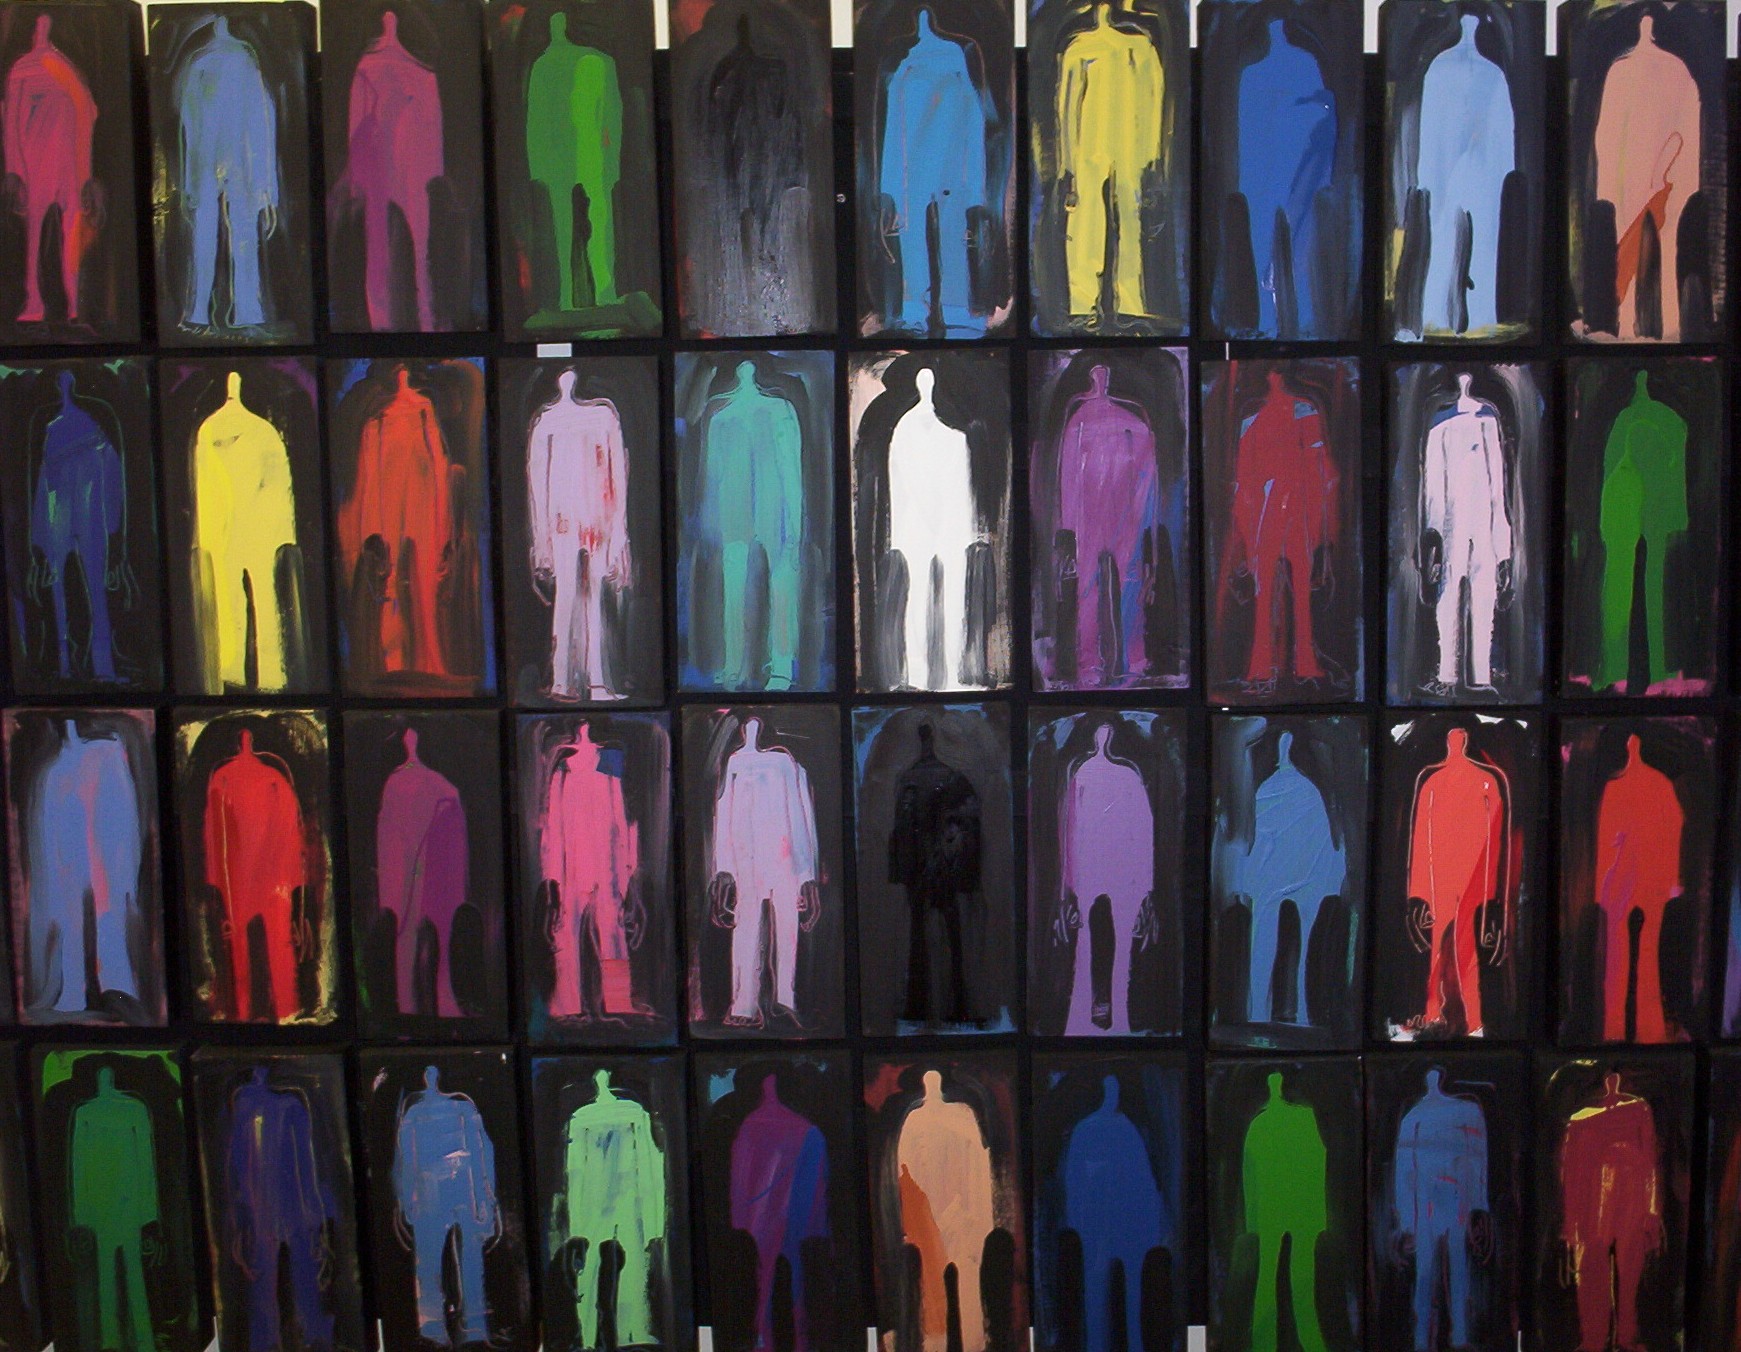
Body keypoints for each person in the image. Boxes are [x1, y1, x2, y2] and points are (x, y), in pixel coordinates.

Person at [337, 366, 458, 683]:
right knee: (390, 580)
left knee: (423, 577)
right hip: (391, 504)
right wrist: (372, 524)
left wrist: (442, 516)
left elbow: (438, 465)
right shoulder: (376, 418)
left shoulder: (423, 409)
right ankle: (393, 660)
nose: (402, 376)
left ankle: (424, 660)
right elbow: (369, 474)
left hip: (421, 504)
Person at [1221, 370, 1339, 690]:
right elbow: (1319, 471)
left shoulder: (1275, 416)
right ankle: (1285, 666)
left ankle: (1275, 668)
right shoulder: (1287, 414)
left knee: (1280, 593)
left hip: (1282, 513)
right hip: (1282, 513)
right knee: (1285, 593)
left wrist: (1248, 533)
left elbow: (1245, 484)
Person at [1052, 364, 1163, 685]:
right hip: (1117, 515)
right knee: (1121, 584)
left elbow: (1069, 476)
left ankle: (1098, 662)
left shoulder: (1082, 419)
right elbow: (1146, 477)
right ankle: (1124, 658)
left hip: (1097, 517)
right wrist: (1144, 521)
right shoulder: (1129, 420)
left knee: (1095, 588)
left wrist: (1068, 526)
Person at [192, 371, 303, 692]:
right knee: (239, 604)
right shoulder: (221, 430)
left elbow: (278, 483)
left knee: (255, 600)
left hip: (251, 531)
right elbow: (205, 486)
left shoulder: (254, 431)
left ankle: (264, 674)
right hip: (238, 532)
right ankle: (245, 673)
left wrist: (282, 532)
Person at [879, 9, 987, 334]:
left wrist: (891, 187)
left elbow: (973, 124)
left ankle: (946, 309)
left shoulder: (943, 63)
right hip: (922, 170)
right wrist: (890, 188)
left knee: (944, 237)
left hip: (939, 169)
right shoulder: (908, 68)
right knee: (920, 239)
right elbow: (894, 131)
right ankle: (923, 309)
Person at [697, 360, 804, 689]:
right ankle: (770, 667)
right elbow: (790, 466)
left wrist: (713, 521)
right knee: (778, 582)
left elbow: (714, 475)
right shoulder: (775, 410)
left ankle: (744, 667)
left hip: (743, 509)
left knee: (746, 586)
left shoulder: (724, 417)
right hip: (766, 507)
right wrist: (795, 519)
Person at [1593, 14, 1701, 339]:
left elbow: (1605, 138)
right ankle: (1640, 322)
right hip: (1647, 180)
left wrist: (1662, 174)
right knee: (1643, 251)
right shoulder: (1663, 71)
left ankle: (1650, 322)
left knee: (1650, 249)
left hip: (1651, 181)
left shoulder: (1633, 73)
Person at [1226, 732, 1345, 1026]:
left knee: (1265, 943)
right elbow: (1322, 842)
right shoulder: (1302, 791)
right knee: (1289, 946)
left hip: (1277, 880)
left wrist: (1246, 881)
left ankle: (1264, 1011)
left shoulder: (1277, 790)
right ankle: (1292, 1012)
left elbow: (1258, 844)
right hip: (1297, 879)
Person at [26, 719, 143, 1017]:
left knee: (107, 907)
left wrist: (119, 862)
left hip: (103, 847)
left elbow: (119, 820)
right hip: (74, 851)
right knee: (73, 914)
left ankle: (112, 986)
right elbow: (53, 830)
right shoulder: (58, 768)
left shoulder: (105, 754)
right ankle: (76, 990)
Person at [709, 718, 821, 1028]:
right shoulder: (741, 764)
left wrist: (805, 874)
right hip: (756, 859)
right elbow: (724, 814)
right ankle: (751, 1003)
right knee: (755, 928)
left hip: (776, 857)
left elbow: (800, 815)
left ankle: (775, 1001)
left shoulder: (785, 764)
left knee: (775, 929)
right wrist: (724, 868)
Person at [527, 371, 631, 700]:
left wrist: (618, 534)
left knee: (589, 600)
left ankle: (590, 681)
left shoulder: (603, 416)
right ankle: (568, 680)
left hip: (591, 520)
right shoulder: (547, 422)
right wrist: (541, 540)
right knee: (571, 599)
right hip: (568, 522)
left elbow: (618, 476)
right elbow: (537, 485)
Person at [1055, 4, 1164, 320]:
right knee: (1117, 223)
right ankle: (1114, 304)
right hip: (1116, 149)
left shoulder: (1134, 48)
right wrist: (1151, 155)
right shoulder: (1129, 48)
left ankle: (1101, 304)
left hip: (1107, 149)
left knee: (1105, 224)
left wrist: (1068, 162)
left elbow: (1066, 111)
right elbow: (1067, 110)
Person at [172, 16, 279, 330]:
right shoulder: (245, 64)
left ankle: (200, 312)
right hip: (239, 159)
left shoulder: (201, 64)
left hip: (209, 159)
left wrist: (190, 182)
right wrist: (265, 187)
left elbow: (190, 128)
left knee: (205, 236)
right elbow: (261, 124)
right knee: (241, 236)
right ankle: (245, 312)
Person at [339, 10, 443, 331]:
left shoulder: (367, 68)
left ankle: (383, 323)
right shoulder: (423, 74)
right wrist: (433, 175)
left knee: (379, 251)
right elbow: (433, 132)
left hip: (380, 172)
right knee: (419, 249)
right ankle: (424, 320)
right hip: (413, 171)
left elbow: (356, 128)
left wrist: (355, 182)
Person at [1413, 15, 1514, 335]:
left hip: (1460, 172)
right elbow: (1502, 138)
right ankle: (1463, 315)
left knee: (1452, 242)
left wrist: (1427, 175)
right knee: (1469, 243)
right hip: (1476, 173)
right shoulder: (1488, 74)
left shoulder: (1443, 70)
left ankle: (1450, 314)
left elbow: (1431, 132)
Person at [1235, 19, 1336, 337]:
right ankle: (1275, 319)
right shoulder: (1265, 72)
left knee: (1290, 237)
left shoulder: (1280, 69)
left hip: (1287, 164)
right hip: (1274, 167)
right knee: (1280, 238)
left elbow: (1320, 110)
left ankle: (1284, 319)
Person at [1406, 728, 1508, 1035]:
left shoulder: (1442, 781)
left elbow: (1495, 835)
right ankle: (1455, 1017)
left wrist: (1419, 893)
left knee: (1454, 946)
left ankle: (1460, 1017)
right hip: (1455, 874)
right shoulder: (1444, 780)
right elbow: (1420, 838)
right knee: (1453, 946)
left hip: (1461, 874)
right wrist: (1418, 892)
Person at [556, 1070, 668, 1349]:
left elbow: (575, 1171)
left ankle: (594, 1333)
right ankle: (630, 1331)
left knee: (594, 1267)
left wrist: (576, 1222)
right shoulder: (632, 1113)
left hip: (596, 1199)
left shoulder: (583, 1118)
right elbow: (649, 1160)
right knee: (630, 1264)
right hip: (627, 1196)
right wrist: (653, 1218)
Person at [225, 1069, 335, 1351]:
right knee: (274, 1287)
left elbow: (305, 1166)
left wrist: (315, 1218)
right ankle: (285, 1341)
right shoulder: (249, 1104)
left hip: (284, 1208)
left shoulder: (285, 1105)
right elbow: (238, 1169)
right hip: (269, 1210)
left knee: (295, 1284)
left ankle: (305, 1339)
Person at [204, 728, 308, 1021]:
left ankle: (248, 1017)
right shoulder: (275, 778)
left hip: (243, 883)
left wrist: (221, 895)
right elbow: (293, 839)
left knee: (244, 955)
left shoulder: (224, 778)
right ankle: (286, 1014)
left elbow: (217, 842)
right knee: (278, 950)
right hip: (272, 883)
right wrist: (292, 891)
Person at [887, 367, 981, 690]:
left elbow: (963, 489)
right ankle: (917, 674)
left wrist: (964, 530)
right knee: (921, 599)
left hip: (944, 525)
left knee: (951, 599)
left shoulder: (953, 438)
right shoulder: (906, 431)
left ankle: (949, 673)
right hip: (920, 526)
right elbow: (898, 484)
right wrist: (899, 533)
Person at [29, 369, 125, 683]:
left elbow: (45, 486)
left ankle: (79, 667)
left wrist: (40, 537)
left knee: (78, 591)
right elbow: (44, 486)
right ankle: (84, 668)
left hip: (76, 517)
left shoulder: (75, 428)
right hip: (80, 517)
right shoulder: (75, 428)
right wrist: (40, 538)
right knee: (85, 591)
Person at [1419, 373, 1512, 695]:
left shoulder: (1486, 421)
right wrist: (1434, 540)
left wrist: (1503, 548)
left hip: (1473, 524)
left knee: (1477, 595)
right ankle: (1454, 674)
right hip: (1455, 526)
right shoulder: (1443, 423)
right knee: (1452, 596)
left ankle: (1474, 675)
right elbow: (1434, 487)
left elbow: (1497, 489)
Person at [2, 15, 98, 325]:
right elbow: (11, 121)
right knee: (40, 233)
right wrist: (15, 169)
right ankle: (37, 302)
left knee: (65, 230)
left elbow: (87, 112)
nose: (41, 31)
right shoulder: (30, 68)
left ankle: (66, 304)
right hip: (41, 162)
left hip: (60, 162)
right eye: (38, 25)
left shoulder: (58, 67)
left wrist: (84, 172)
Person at [1557, 1072, 1664, 1352]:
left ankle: (1623, 1338)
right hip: (1594, 1209)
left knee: (1628, 1274)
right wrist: (1571, 1224)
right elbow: (1570, 1175)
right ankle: (1597, 1339)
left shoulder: (1638, 1111)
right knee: (1596, 1273)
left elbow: (1650, 1165)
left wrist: (1651, 1211)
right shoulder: (1580, 1120)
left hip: (1628, 1206)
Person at [1057, 723, 1153, 1033]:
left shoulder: (1083, 773)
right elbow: (1143, 830)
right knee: (1117, 945)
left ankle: (1088, 1015)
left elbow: (1071, 832)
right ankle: (1115, 1016)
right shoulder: (1127, 776)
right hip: (1118, 871)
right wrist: (1145, 884)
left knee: (1088, 942)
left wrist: (1068, 885)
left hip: (1093, 869)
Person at [539, 724, 639, 1020]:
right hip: (572, 870)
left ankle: (617, 1001)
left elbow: (621, 823)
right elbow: (553, 829)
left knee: (612, 933)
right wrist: (554, 876)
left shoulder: (610, 769)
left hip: (606, 868)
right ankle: (568, 1004)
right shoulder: (562, 772)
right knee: (568, 934)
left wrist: (626, 871)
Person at [393, 1066, 499, 1346]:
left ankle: (447, 1327)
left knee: (440, 1259)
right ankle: (458, 1326)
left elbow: (408, 1161)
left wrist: (408, 1198)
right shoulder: (457, 1108)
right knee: (457, 1257)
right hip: (453, 1190)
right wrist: (486, 1197)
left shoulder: (419, 1113)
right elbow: (480, 1151)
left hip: (442, 1192)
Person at [1596, 370, 1687, 693]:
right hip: (1635, 508)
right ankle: (1632, 668)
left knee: (1634, 588)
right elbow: (1673, 466)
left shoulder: (1640, 421)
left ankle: (1633, 668)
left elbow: (1672, 467)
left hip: (1636, 508)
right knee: (1634, 588)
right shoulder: (1664, 420)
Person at [1061, 1076, 1167, 1352]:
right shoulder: (1112, 1130)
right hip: (1100, 1230)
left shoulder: (1111, 1130)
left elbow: (1143, 1186)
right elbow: (1076, 1184)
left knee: (1117, 1295)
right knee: (1103, 1294)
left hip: (1118, 1229)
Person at [527, 14, 621, 314]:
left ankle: (574, 296)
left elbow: (537, 120)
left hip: (566, 157)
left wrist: (538, 166)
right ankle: (597, 293)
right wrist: (612, 164)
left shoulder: (545, 65)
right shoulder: (597, 61)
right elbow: (610, 119)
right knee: (592, 224)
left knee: (567, 226)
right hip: (587, 154)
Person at [897, 1071, 996, 1352]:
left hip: (956, 1212)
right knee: (937, 1284)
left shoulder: (960, 1115)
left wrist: (978, 1215)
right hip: (935, 1211)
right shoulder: (919, 1120)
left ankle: (967, 1340)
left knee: (962, 1281)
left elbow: (977, 1166)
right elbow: (905, 1173)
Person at [729, 1075, 829, 1352]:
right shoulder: (807, 1129)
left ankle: (764, 1342)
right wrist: (815, 1227)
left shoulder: (748, 1127)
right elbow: (816, 1187)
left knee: (762, 1285)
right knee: (795, 1284)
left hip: (757, 1223)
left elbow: (740, 1182)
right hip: (794, 1222)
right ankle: (798, 1343)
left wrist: (740, 1221)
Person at [1594, 734, 1683, 1043]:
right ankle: (1634, 1029)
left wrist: (1671, 880)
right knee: (1632, 955)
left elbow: (1671, 830)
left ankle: (1633, 1029)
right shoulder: (1656, 785)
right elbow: (1673, 829)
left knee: (1627, 955)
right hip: (1637, 880)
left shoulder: (1627, 787)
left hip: (1634, 880)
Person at [890, 724, 981, 1025]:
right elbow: (968, 823)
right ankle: (957, 1006)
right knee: (952, 938)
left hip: (922, 872)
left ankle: (920, 1006)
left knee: (921, 938)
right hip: (943, 871)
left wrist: (903, 873)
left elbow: (901, 833)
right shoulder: (951, 778)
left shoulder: (909, 780)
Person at [1393, 1069, 1489, 1352]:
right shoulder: (1465, 1113)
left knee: (1432, 1272)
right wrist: (1477, 1204)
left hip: (1434, 1205)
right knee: (1448, 1270)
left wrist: (1408, 1221)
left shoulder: (1414, 1117)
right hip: (1447, 1202)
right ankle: (1450, 1336)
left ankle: (1428, 1338)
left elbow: (1406, 1173)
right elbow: (1477, 1160)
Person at [375, 728, 468, 1018]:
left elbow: (387, 834)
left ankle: (412, 1003)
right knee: (423, 935)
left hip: (416, 870)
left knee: (410, 936)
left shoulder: (398, 783)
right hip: (424, 869)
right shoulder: (434, 782)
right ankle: (426, 1001)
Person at [69, 1066, 160, 1352]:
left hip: (106, 1204)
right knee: (129, 1275)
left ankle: (115, 1340)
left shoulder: (87, 1113)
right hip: (125, 1203)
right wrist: (148, 1213)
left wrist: (82, 1215)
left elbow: (79, 1168)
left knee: (109, 1275)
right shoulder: (133, 1110)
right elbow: (145, 1162)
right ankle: (139, 1341)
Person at [1240, 1072, 1327, 1352]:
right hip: (1299, 1211)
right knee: (1301, 1279)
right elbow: (1318, 1163)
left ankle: (1264, 1344)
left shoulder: (1259, 1124)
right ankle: (1309, 1343)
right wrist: (1318, 1214)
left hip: (1272, 1211)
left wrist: (1252, 1220)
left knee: (1271, 1278)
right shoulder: (1303, 1119)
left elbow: (1249, 1176)